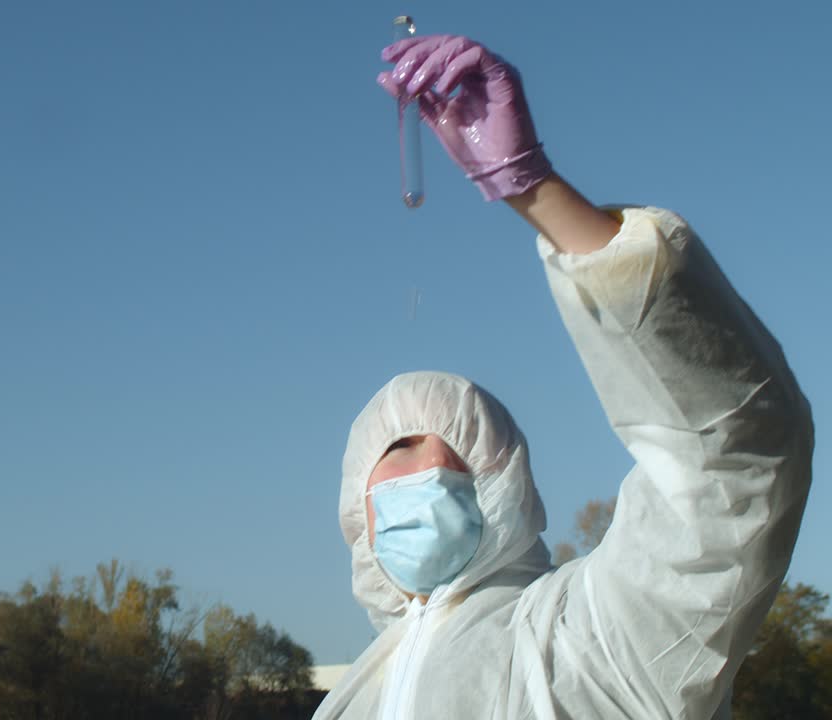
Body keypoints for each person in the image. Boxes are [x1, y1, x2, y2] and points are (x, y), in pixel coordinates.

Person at [313, 35, 815, 719]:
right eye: (401, 446)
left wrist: (533, 187)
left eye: (469, 455)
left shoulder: (588, 639)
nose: (436, 462)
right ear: (354, 504)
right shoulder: (349, 698)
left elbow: (732, 460)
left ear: (510, 488)